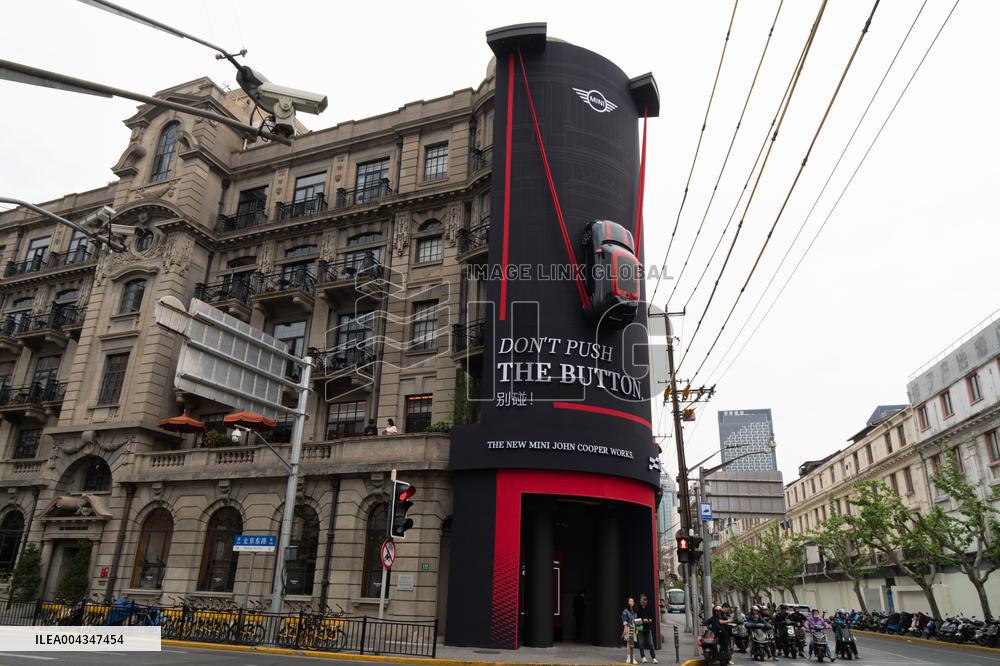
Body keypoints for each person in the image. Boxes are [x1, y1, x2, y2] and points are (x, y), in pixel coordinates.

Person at [636, 593, 657, 663]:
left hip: (648, 628)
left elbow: (652, 617)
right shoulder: (638, 608)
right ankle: (643, 657)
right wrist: (642, 620)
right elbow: (636, 619)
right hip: (640, 628)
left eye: (645, 601)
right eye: (643, 601)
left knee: (651, 643)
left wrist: (650, 620)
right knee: (641, 643)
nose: (644, 602)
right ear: (640, 601)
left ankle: (653, 657)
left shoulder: (649, 608)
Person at [622, 597, 638, 664]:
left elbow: (635, 621)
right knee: (629, 643)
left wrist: (636, 629)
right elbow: (624, 620)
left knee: (632, 643)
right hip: (628, 628)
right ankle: (629, 657)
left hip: (633, 628)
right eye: (630, 601)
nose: (631, 602)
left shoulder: (634, 611)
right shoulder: (625, 611)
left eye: (632, 601)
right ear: (628, 602)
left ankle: (631, 657)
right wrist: (625, 628)